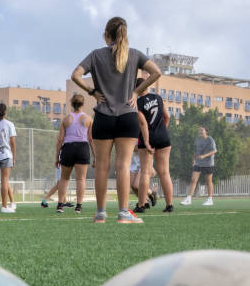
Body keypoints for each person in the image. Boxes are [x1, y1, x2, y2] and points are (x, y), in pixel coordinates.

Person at [71, 16, 161, 224]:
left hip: (103, 117)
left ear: (106, 35)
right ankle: (123, 213)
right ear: (125, 34)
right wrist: (137, 92)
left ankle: (100, 214)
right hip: (127, 117)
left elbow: (75, 75)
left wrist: (92, 91)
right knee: (123, 166)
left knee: (102, 167)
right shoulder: (135, 54)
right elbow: (156, 72)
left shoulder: (96, 55)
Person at [136, 77, 173, 213]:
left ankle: (141, 205)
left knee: (145, 172)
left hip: (148, 138)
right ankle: (169, 205)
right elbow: (167, 116)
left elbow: (143, 123)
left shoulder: (138, 102)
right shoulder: (158, 97)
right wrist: (162, 131)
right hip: (163, 137)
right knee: (164, 172)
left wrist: (146, 142)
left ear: (137, 89)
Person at [54, 94, 94, 214]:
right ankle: (79, 207)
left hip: (68, 149)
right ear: (83, 104)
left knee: (64, 178)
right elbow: (91, 139)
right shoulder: (88, 119)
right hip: (82, 148)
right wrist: (95, 156)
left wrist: (57, 157)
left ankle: (60, 205)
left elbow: (60, 139)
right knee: (81, 179)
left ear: (72, 104)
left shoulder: (66, 119)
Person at [182, 126, 217, 206]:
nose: (200, 131)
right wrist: (194, 159)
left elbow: (214, 151)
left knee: (208, 181)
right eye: (199, 130)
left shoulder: (210, 140)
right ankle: (188, 199)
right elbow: (196, 151)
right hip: (198, 163)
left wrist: (204, 156)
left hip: (208, 163)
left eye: (202, 130)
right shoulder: (198, 139)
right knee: (193, 179)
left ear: (206, 131)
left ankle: (210, 199)